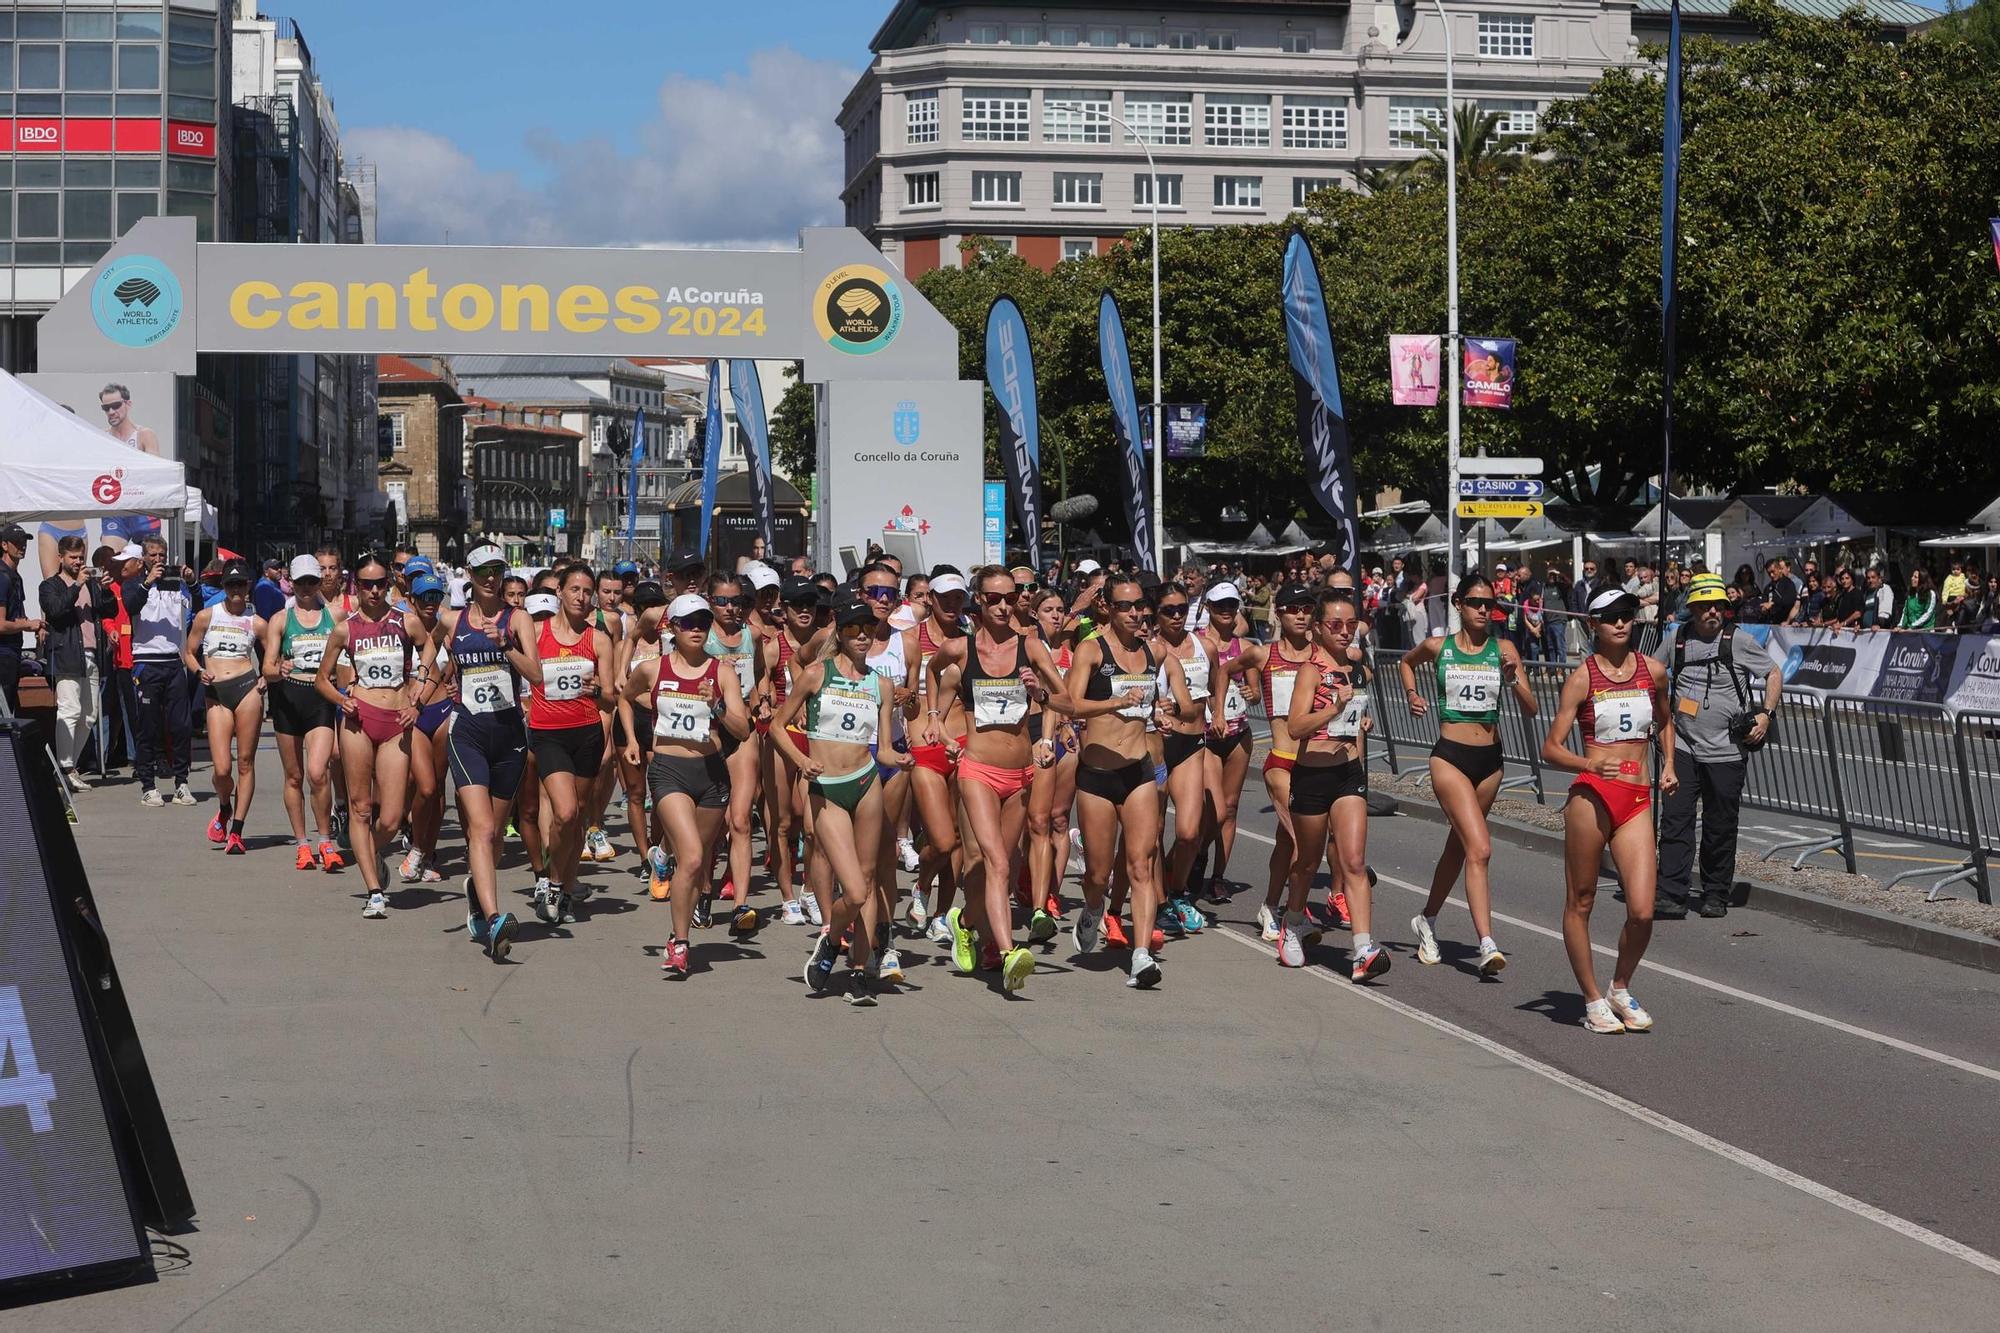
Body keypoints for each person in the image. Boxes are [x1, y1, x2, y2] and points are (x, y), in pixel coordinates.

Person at [922, 566, 1072, 992]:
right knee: (997, 863)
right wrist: (936, 719)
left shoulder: (1031, 646)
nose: (1004, 605)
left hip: (1021, 772)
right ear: (979, 601)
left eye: (1011, 596)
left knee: (1000, 870)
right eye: (993, 598)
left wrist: (1040, 696)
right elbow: (933, 672)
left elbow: (1066, 699)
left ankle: (965, 921)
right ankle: (1008, 953)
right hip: (977, 770)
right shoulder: (960, 648)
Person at [1540, 587, 1677, 1034]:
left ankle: (1620, 986)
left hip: (1636, 799)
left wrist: (1670, 763)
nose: (1621, 622)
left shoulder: (1652, 670)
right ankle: (1592, 998)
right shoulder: (1582, 678)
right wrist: (1590, 762)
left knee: (1642, 911)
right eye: (1610, 616)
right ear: (1593, 624)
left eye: (1627, 614)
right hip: (1592, 797)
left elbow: (1665, 718)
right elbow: (1551, 748)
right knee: (1581, 900)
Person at [1398, 572, 1536, 976]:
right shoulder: (1438, 646)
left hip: (1491, 761)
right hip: (1450, 759)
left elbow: (1530, 708)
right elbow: (1406, 662)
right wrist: (1411, 694)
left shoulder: (1505, 648)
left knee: (1459, 848)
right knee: (1480, 848)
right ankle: (1487, 942)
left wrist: (1513, 681)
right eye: (1475, 602)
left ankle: (1427, 918)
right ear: (1458, 604)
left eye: (1488, 603)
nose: (1482, 609)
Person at [773, 597, 907, 1003]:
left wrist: (901, 759)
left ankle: (861, 972)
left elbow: (881, 749)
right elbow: (778, 727)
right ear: (840, 633)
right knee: (854, 891)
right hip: (827, 786)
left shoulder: (880, 685)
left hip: (866, 782)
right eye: (854, 629)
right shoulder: (816, 675)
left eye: (868, 629)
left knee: (867, 880)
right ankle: (832, 941)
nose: (863, 636)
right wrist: (800, 760)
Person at [621, 592, 752, 976]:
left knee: (698, 863)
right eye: (689, 623)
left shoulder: (722, 671)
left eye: (703, 622)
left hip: (711, 773)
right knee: (692, 856)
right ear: (673, 628)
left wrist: (718, 707)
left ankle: (667, 863)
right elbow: (625, 698)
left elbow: (743, 731)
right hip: (669, 770)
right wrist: (632, 739)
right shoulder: (653, 669)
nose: (697, 629)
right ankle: (679, 941)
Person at [1657, 572, 1779, 920]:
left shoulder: (1737, 640)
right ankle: (1671, 894)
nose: (1712, 612)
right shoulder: (1677, 638)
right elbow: (1652, 670)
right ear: (1692, 608)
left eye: (1718, 606)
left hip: (1726, 752)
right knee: (1675, 821)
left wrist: (1766, 715)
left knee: (1719, 826)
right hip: (1682, 746)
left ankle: (1715, 894)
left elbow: (1773, 672)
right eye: (1705, 606)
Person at [1064, 576, 1167, 988]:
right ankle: (1092, 907)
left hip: (1138, 770)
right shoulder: (1092, 649)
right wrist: (1115, 703)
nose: (1133, 613)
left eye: (1139, 605)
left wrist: (1166, 715)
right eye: (1124, 606)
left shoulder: (1152, 652)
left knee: (1141, 863)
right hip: (1097, 775)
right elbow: (1071, 703)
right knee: (1097, 872)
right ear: (1107, 608)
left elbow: (1157, 702)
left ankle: (1141, 956)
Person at [439, 545, 542, 959]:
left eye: (496, 571)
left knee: (495, 835)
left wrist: (507, 647)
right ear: (470, 573)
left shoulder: (518, 619)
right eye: (482, 571)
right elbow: (436, 659)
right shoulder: (453, 619)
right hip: (467, 733)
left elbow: (537, 676)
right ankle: (496, 917)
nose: (489, 578)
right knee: (480, 830)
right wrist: (438, 685)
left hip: (509, 735)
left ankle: (477, 894)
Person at [1280, 588, 1385, 980]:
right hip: (1311, 774)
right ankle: (1292, 922)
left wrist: (1360, 719)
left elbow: (1354, 714)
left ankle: (1362, 948)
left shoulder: (1356, 669)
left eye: (1351, 625)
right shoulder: (1310, 671)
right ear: (1319, 629)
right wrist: (1334, 708)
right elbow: (1296, 726)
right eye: (1336, 625)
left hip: (1349, 772)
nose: (1345, 632)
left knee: (1353, 861)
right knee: (1307, 862)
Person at [315, 553, 426, 919]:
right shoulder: (345, 628)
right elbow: (322, 678)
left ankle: (369, 852)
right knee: (361, 808)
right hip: (359, 720)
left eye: (381, 583)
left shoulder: (405, 622)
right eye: (367, 585)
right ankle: (374, 890)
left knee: (392, 816)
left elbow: (435, 657)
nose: (375, 590)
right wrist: (340, 699)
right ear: (356, 587)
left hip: (397, 721)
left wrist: (418, 700)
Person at [525, 564, 617, 928]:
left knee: (577, 814)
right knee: (563, 812)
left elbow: (609, 696)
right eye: (574, 589)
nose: (581, 597)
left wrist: (597, 688)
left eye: (587, 591)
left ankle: (562, 883)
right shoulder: (536, 633)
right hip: (548, 733)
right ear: (559, 591)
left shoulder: (599, 640)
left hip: (587, 733)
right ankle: (551, 879)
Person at [264, 554, 344, 871]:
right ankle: (302, 844)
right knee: (294, 777)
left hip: (321, 696)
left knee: (317, 772)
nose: (308, 588)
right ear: (291, 583)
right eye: (302, 582)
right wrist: (277, 668)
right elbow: (268, 666)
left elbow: (349, 658)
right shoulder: (281, 620)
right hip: (288, 698)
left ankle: (325, 841)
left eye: (313, 581)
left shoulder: (334, 616)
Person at [183, 561, 267, 855]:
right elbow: (189, 651)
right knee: (222, 769)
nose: (235, 591)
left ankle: (238, 831)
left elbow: (273, 656)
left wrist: (266, 678)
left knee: (245, 762)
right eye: (230, 585)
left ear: (247, 587)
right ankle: (224, 807)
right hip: (216, 692)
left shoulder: (256, 622)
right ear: (223, 587)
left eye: (240, 585)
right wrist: (197, 672)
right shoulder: (207, 616)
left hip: (246, 689)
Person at [120, 535, 197, 807]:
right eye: (153, 555)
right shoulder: (134, 584)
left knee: (180, 726)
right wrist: (148, 581)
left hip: (174, 661)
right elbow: (130, 606)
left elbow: (197, 608)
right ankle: (148, 785)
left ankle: (182, 783)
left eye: (162, 556)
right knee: (148, 726)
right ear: (143, 559)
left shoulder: (176, 586)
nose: (159, 560)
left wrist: (191, 581)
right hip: (147, 662)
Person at [38, 535, 116, 789]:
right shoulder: (50, 585)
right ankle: (65, 767)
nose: (78, 562)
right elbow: (56, 611)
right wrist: (75, 586)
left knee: (89, 715)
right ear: (61, 557)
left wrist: (105, 590)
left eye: (81, 557)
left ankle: (69, 766)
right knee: (69, 711)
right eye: (73, 557)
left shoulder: (91, 585)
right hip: (66, 654)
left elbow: (109, 611)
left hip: (92, 655)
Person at [0, 524, 41, 716]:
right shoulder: (3, 577)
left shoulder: (16, 577)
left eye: (24, 542)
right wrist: (26, 624)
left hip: (13, 652)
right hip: (3, 653)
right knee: (4, 712)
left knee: (9, 711)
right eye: (17, 542)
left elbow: (18, 616)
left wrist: (37, 626)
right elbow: (0, 624)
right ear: (4, 545)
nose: (22, 546)